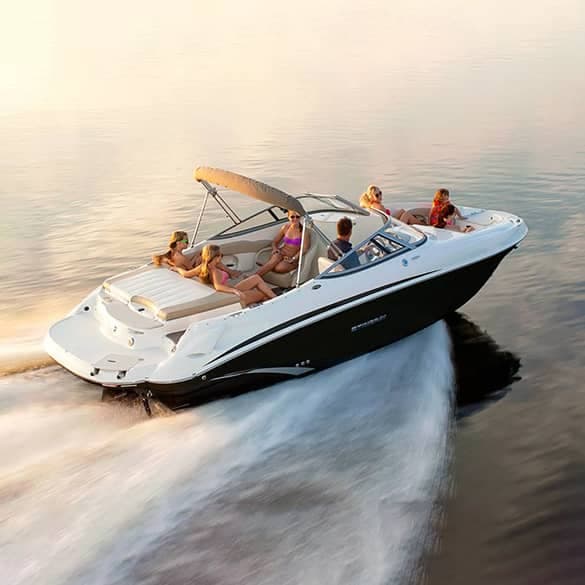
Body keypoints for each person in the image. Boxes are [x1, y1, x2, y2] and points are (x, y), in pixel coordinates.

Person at [173, 244, 276, 307]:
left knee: (256, 278)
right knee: (262, 294)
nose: (221, 257)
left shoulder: (202, 267)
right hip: (229, 293)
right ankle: (276, 300)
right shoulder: (214, 270)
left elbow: (186, 274)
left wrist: (177, 268)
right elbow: (218, 286)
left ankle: (273, 298)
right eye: (220, 255)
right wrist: (235, 291)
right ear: (217, 257)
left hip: (229, 289)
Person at [256, 209, 311, 277]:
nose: (295, 219)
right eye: (292, 217)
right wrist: (275, 249)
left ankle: (265, 267)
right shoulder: (286, 227)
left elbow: (304, 249)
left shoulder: (304, 232)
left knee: (279, 268)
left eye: (297, 217)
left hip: (293, 257)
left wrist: (293, 259)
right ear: (288, 217)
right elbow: (275, 242)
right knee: (275, 259)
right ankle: (251, 279)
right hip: (281, 253)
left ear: (300, 217)